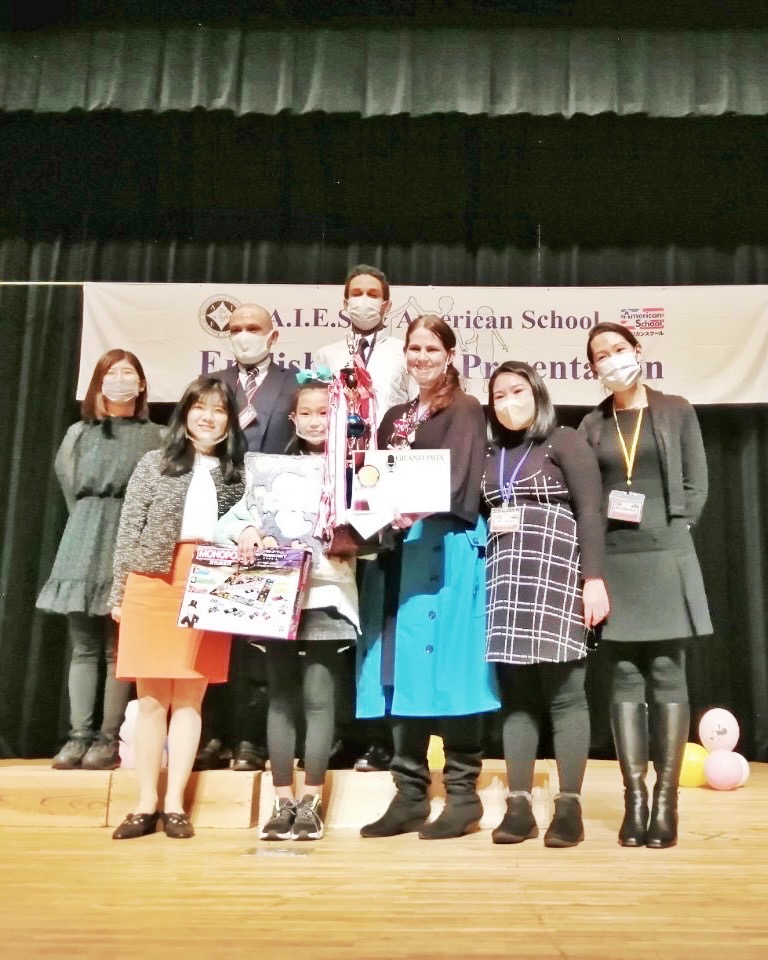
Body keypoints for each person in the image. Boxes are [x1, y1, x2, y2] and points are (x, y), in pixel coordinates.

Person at [356, 315, 500, 840]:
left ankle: (463, 797)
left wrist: (411, 508)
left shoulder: (465, 408)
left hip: (446, 551)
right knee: (398, 670)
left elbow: (460, 480)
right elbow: (374, 476)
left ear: (449, 355)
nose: (421, 357)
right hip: (398, 553)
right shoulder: (395, 416)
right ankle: (409, 795)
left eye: (431, 349)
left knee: (455, 669)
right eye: (413, 348)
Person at [579, 321, 712, 849]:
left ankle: (666, 802)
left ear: (638, 350)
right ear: (592, 368)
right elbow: (587, 496)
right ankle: (635, 800)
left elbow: (696, 483)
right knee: (624, 676)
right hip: (614, 556)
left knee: (666, 671)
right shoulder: (592, 423)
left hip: (666, 552)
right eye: (601, 355)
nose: (612, 359)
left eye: (619, 349)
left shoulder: (676, 409)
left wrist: (676, 529)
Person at [216, 374, 359, 841]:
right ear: (293, 419)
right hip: (277, 595)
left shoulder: (355, 469)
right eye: (307, 413)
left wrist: (356, 540)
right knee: (279, 696)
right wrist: (245, 532)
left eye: (325, 413)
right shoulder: (270, 471)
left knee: (319, 698)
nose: (316, 421)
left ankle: (311, 801)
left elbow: (378, 534)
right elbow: (230, 522)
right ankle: (281, 801)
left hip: (328, 595)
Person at [108, 376, 246, 840]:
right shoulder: (155, 463)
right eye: (200, 407)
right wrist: (118, 594)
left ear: (230, 421)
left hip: (209, 582)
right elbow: (129, 529)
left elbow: (248, 526)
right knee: (150, 700)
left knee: (189, 698)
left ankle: (174, 805)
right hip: (152, 581)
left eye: (219, 410)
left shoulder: (237, 473)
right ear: (185, 412)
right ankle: (145, 803)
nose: (208, 417)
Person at [481, 361, 609, 847]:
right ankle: (518, 807)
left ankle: (569, 806)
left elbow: (591, 511)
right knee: (517, 697)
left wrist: (593, 579)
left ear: (537, 393)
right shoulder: (492, 451)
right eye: (498, 395)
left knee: (565, 694)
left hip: (558, 573)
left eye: (517, 390)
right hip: (505, 579)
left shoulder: (564, 441)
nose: (508, 402)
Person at [37, 350, 162, 770]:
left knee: (117, 648)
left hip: (129, 539)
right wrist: (91, 520)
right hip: (83, 537)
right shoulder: (78, 433)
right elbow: (69, 487)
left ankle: (107, 740)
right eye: (111, 373)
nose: (120, 379)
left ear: (141, 384)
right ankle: (78, 736)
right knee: (84, 646)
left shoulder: (157, 436)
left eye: (128, 372)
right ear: (98, 383)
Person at [315, 265, 412, 772]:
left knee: (378, 611)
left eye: (374, 294)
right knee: (335, 613)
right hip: (338, 490)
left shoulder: (402, 353)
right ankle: (335, 732)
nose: (365, 300)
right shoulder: (327, 355)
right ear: (344, 300)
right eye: (357, 293)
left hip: (386, 488)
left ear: (387, 304)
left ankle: (381, 733)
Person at [199, 302, 297, 772]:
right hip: (218, 509)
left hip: (273, 520)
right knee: (215, 633)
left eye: (253, 327)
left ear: (272, 336)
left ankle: (252, 740)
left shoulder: (293, 384)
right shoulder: (213, 384)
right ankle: (214, 733)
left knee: (260, 633)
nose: (243, 335)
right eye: (235, 328)